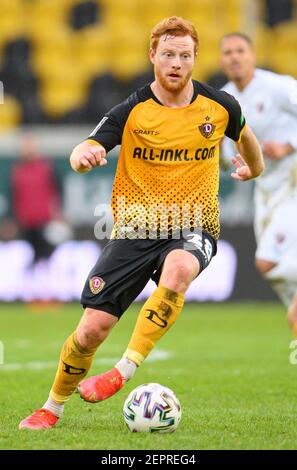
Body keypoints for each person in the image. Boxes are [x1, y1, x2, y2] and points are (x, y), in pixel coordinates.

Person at [19, 17, 264, 430]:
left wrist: (253, 170)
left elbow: (244, 136)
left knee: (181, 269)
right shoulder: (131, 110)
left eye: (185, 56)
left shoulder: (219, 106)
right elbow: (90, 144)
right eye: (168, 54)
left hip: (193, 224)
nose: (176, 63)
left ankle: (123, 372)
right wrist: (83, 156)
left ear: (194, 60)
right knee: (91, 331)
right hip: (134, 232)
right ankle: (52, 406)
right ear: (153, 55)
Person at [220, 33, 297, 337]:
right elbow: (226, 155)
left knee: (267, 261)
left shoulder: (278, 87)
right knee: (283, 288)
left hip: (292, 182)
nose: (234, 57)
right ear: (221, 60)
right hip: (264, 190)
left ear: (252, 55)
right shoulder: (225, 101)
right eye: (227, 52)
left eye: (240, 50)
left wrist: (289, 145)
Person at [11, 135, 60, 263]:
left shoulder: (47, 167)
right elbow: (15, 196)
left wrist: (58, 212)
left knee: (47, 253)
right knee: (30, 253)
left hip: (45, 219)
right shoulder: (17, 170)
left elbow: (57, 191)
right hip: (26, 220)